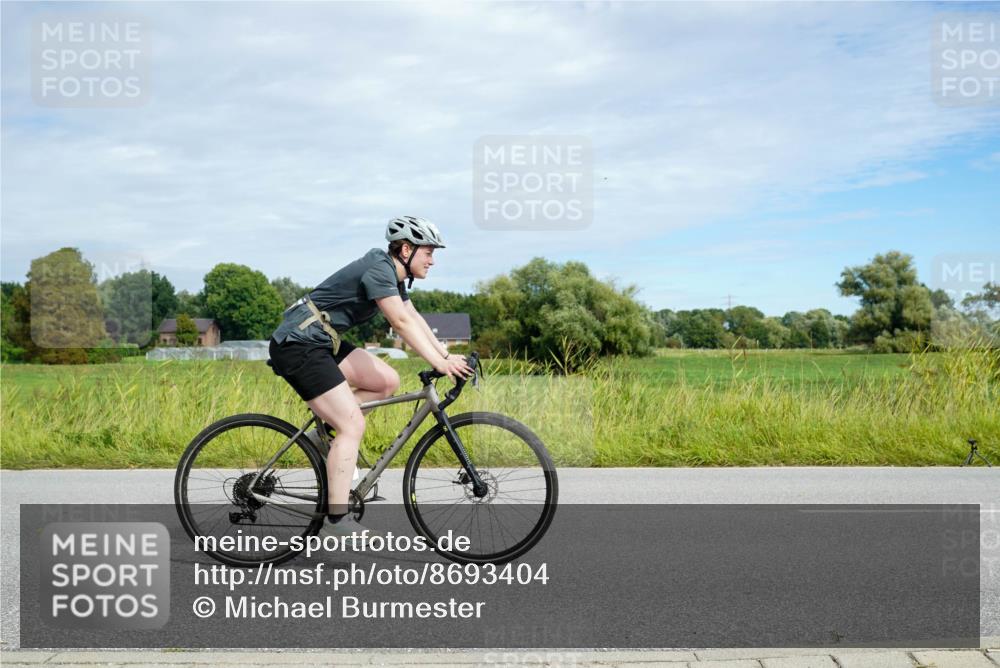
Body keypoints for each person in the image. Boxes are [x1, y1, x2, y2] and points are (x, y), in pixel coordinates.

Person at [267, 216, 472, 536]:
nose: (432, 260)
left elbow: (413, 316)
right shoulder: (380, 269)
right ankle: (337, 520)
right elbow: (400, 324)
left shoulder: (393, 274)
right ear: (406, 249)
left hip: (323, 340)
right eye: (429, 252)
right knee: (352, 424)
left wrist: (445, 356)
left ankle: (324, 436)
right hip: (299, 344)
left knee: (386, 382)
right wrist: (440, 363)